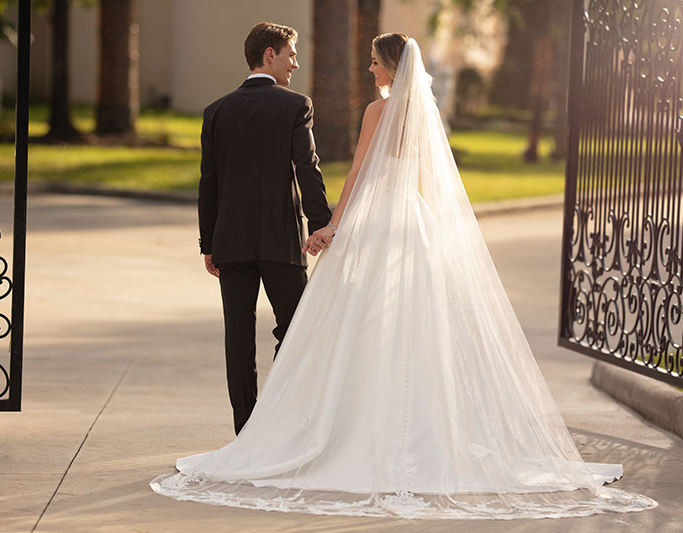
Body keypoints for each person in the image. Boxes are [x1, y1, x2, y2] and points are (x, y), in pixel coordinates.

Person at [152, 33, 657, 519]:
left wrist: (330, 224)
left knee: (320, 329)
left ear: (391, 67)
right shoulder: (421, 111)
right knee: (404, 326)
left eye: (374, 62)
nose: (369, 69)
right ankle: (414, 432)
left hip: (335, 226)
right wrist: (356, 220)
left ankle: (271, 431)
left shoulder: (356, 111)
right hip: (410, 221)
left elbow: (348, 172)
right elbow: (413, 177)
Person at [196, 22, 334, 435]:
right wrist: (321, 224)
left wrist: (209, 243)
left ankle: (246, 432)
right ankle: (275, 422)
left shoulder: (216, 111)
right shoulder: (295, 106)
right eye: (290, 53)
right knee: (296, 330)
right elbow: (306, 168)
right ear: (269, 54)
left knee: (237, 338)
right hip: (280, 241)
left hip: (230, 242)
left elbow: (210, 182)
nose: (295, 62)